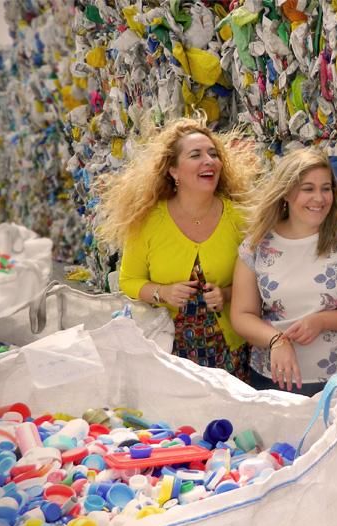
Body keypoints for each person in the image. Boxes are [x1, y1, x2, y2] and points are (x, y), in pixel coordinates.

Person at [95, 117, 258, 380]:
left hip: (230, 353)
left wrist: (226, 294)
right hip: (166, 349)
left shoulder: (239, 217)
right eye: (196, 155)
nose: (209, 161)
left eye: (213, 154)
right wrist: (163, 293)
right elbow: (129, 281)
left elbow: (259, 280)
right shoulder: (148, 221)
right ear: (173, 171)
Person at [230, 148, 337, 416]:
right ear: (286, 192)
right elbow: (242, 314)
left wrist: (322, 321)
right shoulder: (257, 245)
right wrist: (276, 341)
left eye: (326, 188)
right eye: (308, 189)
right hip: (276, 385)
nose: (319, 198)